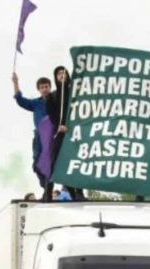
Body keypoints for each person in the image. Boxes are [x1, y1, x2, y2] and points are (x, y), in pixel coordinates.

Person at [44, 66, 84, 202]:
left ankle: (78, 192)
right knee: (54, 162)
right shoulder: (52, 96)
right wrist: (58, 126)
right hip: (60, 133)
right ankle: (47, 193)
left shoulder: (75, 93)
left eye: (64, 73)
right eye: (59, 73)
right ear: (55, 77)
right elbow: (51, 114)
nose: (62, 75)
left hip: (74, 134)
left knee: (76, 163)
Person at [12, 73, 55, 188]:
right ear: (39, 89)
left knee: (54, 162)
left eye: (46, 86)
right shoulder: (36, 103)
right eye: (42, 87)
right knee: (37, 164)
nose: (45, 89)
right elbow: (20, 100)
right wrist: (16, 83)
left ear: (50, 87)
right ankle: (46, 188)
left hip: (54, 136)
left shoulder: (56, 100)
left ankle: (66, 190)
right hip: (39, 137)